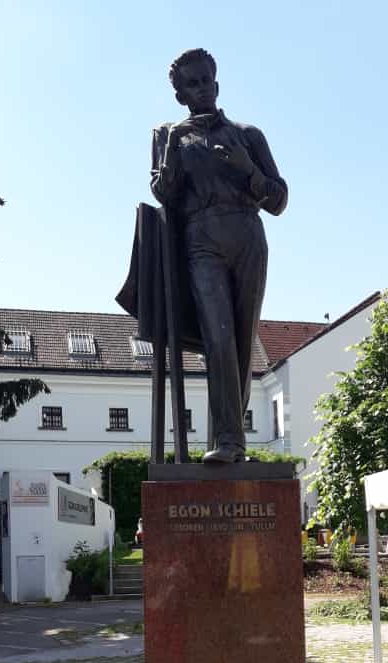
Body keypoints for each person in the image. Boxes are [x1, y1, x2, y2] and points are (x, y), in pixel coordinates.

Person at [151, 48, 288, 464]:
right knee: (219, 338)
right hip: (202, 240)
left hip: (247, 235)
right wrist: (172, 148)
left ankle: (232, 441)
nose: (201, 89)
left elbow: (279, 201)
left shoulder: (248, 135)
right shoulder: (170, 136)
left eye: (206, 80)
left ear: (217, 83)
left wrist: (248, 168)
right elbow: (163, 194)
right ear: (180, 95)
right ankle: (228, 440)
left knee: (243, 342)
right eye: (191, 84)